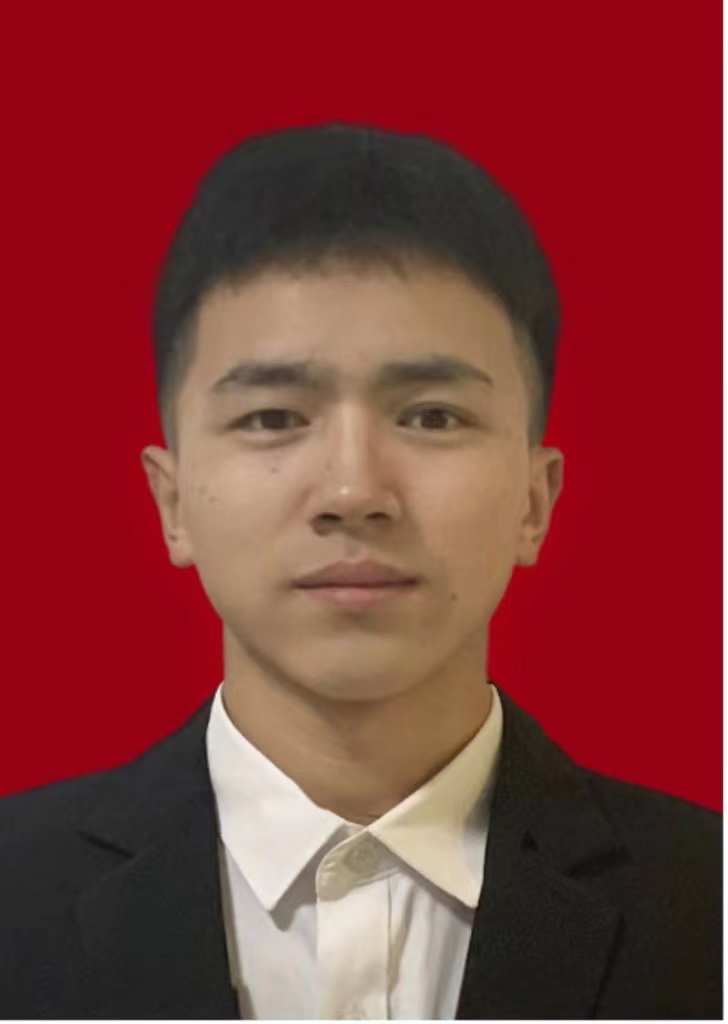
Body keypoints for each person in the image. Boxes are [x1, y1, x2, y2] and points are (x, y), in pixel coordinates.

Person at [0, 123, 720, 1020]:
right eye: (272, 418)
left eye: (431, 417)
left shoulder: (707, 909)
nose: (353, 491)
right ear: (172, 500)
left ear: (535, 501)